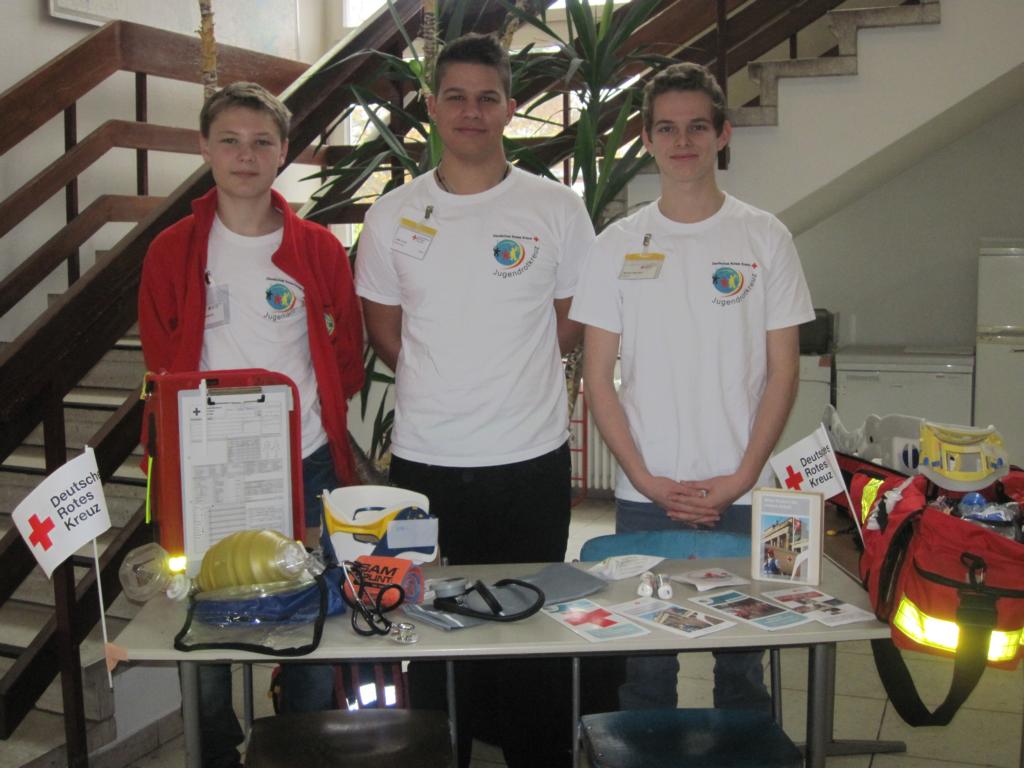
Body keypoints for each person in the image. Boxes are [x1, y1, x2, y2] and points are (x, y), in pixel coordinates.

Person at [355, 33, 596, 767]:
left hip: (528, 459)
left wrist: (506, 372)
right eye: (455, 97)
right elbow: (386, 331)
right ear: (431, 107)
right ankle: (446, 753)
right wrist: (449, 377)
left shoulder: (556, 208)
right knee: (430, 628)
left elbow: (571, 321)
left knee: (527, 627)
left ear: (509, 109)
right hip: (426, 462)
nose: (471, 111)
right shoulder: (392, 215)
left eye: (487, 98)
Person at [570, 61, 814, 711]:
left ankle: (745, 749)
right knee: (648, 666)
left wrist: (740, 477)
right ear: (646, 138)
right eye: (667, 128)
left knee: (744, 664)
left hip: (745, 490)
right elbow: (598, 377)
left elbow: (783, 372)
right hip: (646, 493)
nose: (682, 141)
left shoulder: (765, 236)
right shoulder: (617, 243)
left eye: (698, 127)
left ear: (722, 134)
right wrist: (646, 479)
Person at [138, 82, 364, 768]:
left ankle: (301, 749)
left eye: (262, 141)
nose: (246, 155)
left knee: (310, 626)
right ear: (204, 148)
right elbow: (159, 354)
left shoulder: (318, 248)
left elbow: (346, 359)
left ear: (283, 151)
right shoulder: (172, 249)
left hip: (308, 463)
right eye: (230, 141)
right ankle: (218, 752)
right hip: (206, 472)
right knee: (203, 630)